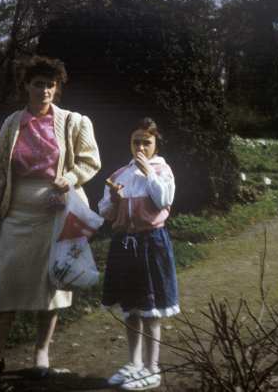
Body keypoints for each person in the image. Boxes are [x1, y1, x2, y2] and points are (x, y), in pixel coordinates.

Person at [0, 55, 101, 381]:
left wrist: (69, 179)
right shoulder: (12, 124)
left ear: (57, 89)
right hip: (17, 215)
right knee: (6, 286)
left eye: (50, 85)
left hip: (57, 216)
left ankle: (41, 354)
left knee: (51, 286)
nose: (44, 90)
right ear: (26, 86)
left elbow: (90, 161)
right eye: (38, 84)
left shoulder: (73, 122)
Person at [99, 118, 180, 391]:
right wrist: (115, 199)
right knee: (131, 308)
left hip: (151, 243)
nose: (141, 147)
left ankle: (152, 367)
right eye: (136, 142)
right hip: (124, 244)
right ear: (130, 143)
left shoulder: (163, 170)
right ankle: (134, 364)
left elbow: (164, 200)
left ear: (156, 144)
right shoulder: (121, 173)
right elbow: (105, 213)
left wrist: (149, 173)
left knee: (151, 308)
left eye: (147, 142)